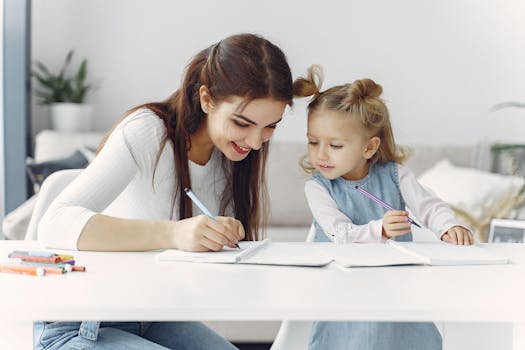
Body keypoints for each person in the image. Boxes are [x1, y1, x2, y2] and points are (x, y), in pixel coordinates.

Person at [34, 33, 295, 350]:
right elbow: (55, 222)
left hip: (155, 316)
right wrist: (174, 234)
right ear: (207, 99)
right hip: (82, 324)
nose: (255, 142)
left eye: (270, 126)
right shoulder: (147, 131)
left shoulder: (231, 156)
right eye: (242, 123)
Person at [294, 65, 473, 350]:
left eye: (335, 145)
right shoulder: (317, 188)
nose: (321, 154)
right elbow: (339, 233)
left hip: (396, 288)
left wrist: (448, 226)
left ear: (369, 147)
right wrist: (381, 230)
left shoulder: (395, 175)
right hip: (344, 289)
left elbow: (429, 206)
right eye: (313, 142)